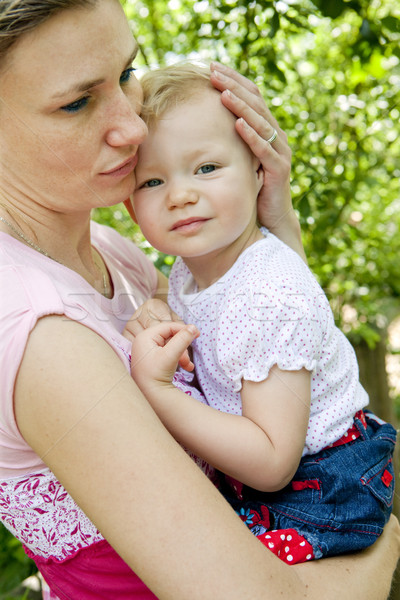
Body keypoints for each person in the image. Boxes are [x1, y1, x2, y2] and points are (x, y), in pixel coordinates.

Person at [0, 2, 399, 599]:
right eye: (77, 102)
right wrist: (386, 532)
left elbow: (261, 333)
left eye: (127, 73)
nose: (133, 127)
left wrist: (274, 223)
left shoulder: (116, 253)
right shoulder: (44, 334)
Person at [127, 62, 397, 565]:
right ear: (130, 207)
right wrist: (162, 309)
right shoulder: (191, 271)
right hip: (273, 473)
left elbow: (273, 461)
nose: (181, 193)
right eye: (153, 180)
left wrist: (157, 391)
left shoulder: (270, 295)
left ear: (259, 172)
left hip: (320, 487)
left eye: (207, 168)